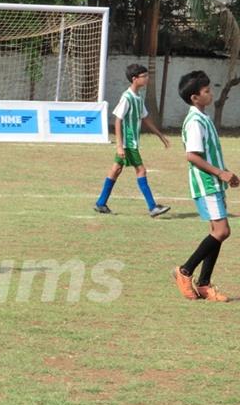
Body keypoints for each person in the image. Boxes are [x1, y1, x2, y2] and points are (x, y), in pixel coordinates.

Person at [173, 71, 239, 301]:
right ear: (195, 97)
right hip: (207, 184)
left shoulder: (203, 118)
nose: (210, 94)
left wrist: (226, 174)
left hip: (215, 183)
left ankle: (203, 284)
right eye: (206, 91)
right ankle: (184, 271)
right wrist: (221, 173)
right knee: (222, 231)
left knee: (217, 233)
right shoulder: (194, 122)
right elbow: (192, 155)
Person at [94, 63, 171, 217]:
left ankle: (101, 203)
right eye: (144, 76)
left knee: (116, 170)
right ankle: (152, 207)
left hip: (131, 142)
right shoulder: (127, 97)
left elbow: (145, 118)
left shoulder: (138, 97)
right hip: (129, 143)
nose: (147, 78)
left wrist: (160, 135)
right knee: (141, 170)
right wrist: (119, 146)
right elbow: (118, 120)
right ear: (135, 79)